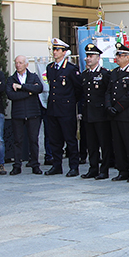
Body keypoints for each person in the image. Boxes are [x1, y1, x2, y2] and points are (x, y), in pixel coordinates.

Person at [43, 39, 81, 176]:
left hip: (66, 110)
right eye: (54, 49)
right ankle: (56, 165)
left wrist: (70, 103)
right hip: (53, 108)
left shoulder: (71, 69)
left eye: (58, 50)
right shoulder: (50, 68)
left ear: (64, 52)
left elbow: (78, 89)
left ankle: (73, 167)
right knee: (54, 140)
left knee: (70, 139)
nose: (55, 52)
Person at [107, 44, 129, 182]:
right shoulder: (114, 72)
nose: (117, 58)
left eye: (119, 55)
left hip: (126, 114)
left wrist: (117, 107)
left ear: (127, 57)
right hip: (114, 114)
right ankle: (122, 170)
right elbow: (109, 91)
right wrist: (109, 106)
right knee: (117, 144)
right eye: (117, 55)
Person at [6, 55, 44, 175]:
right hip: (18, 114)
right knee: (17, 141)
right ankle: (17, 165)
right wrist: (28, 93)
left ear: (26, 64)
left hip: (33, 114)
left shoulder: (33, 77)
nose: (18, 65)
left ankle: (35, 165)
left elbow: (39, 88)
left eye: (21, 63)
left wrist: (22, 87)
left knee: (33, 140)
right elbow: (11, 96)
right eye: (16, 62)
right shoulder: (11, 79)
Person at [79, 43, 111, 179]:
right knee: (91, 144)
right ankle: (93, 169)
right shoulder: (85, 75)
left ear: (98, 58)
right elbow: (82, 95)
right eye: (87, 56)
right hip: (88, 114)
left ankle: (104, 170)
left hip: (101, 115)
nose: (88, 58)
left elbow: (108, 93)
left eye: (91, 56)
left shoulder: (104, 74)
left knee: (104, 144)